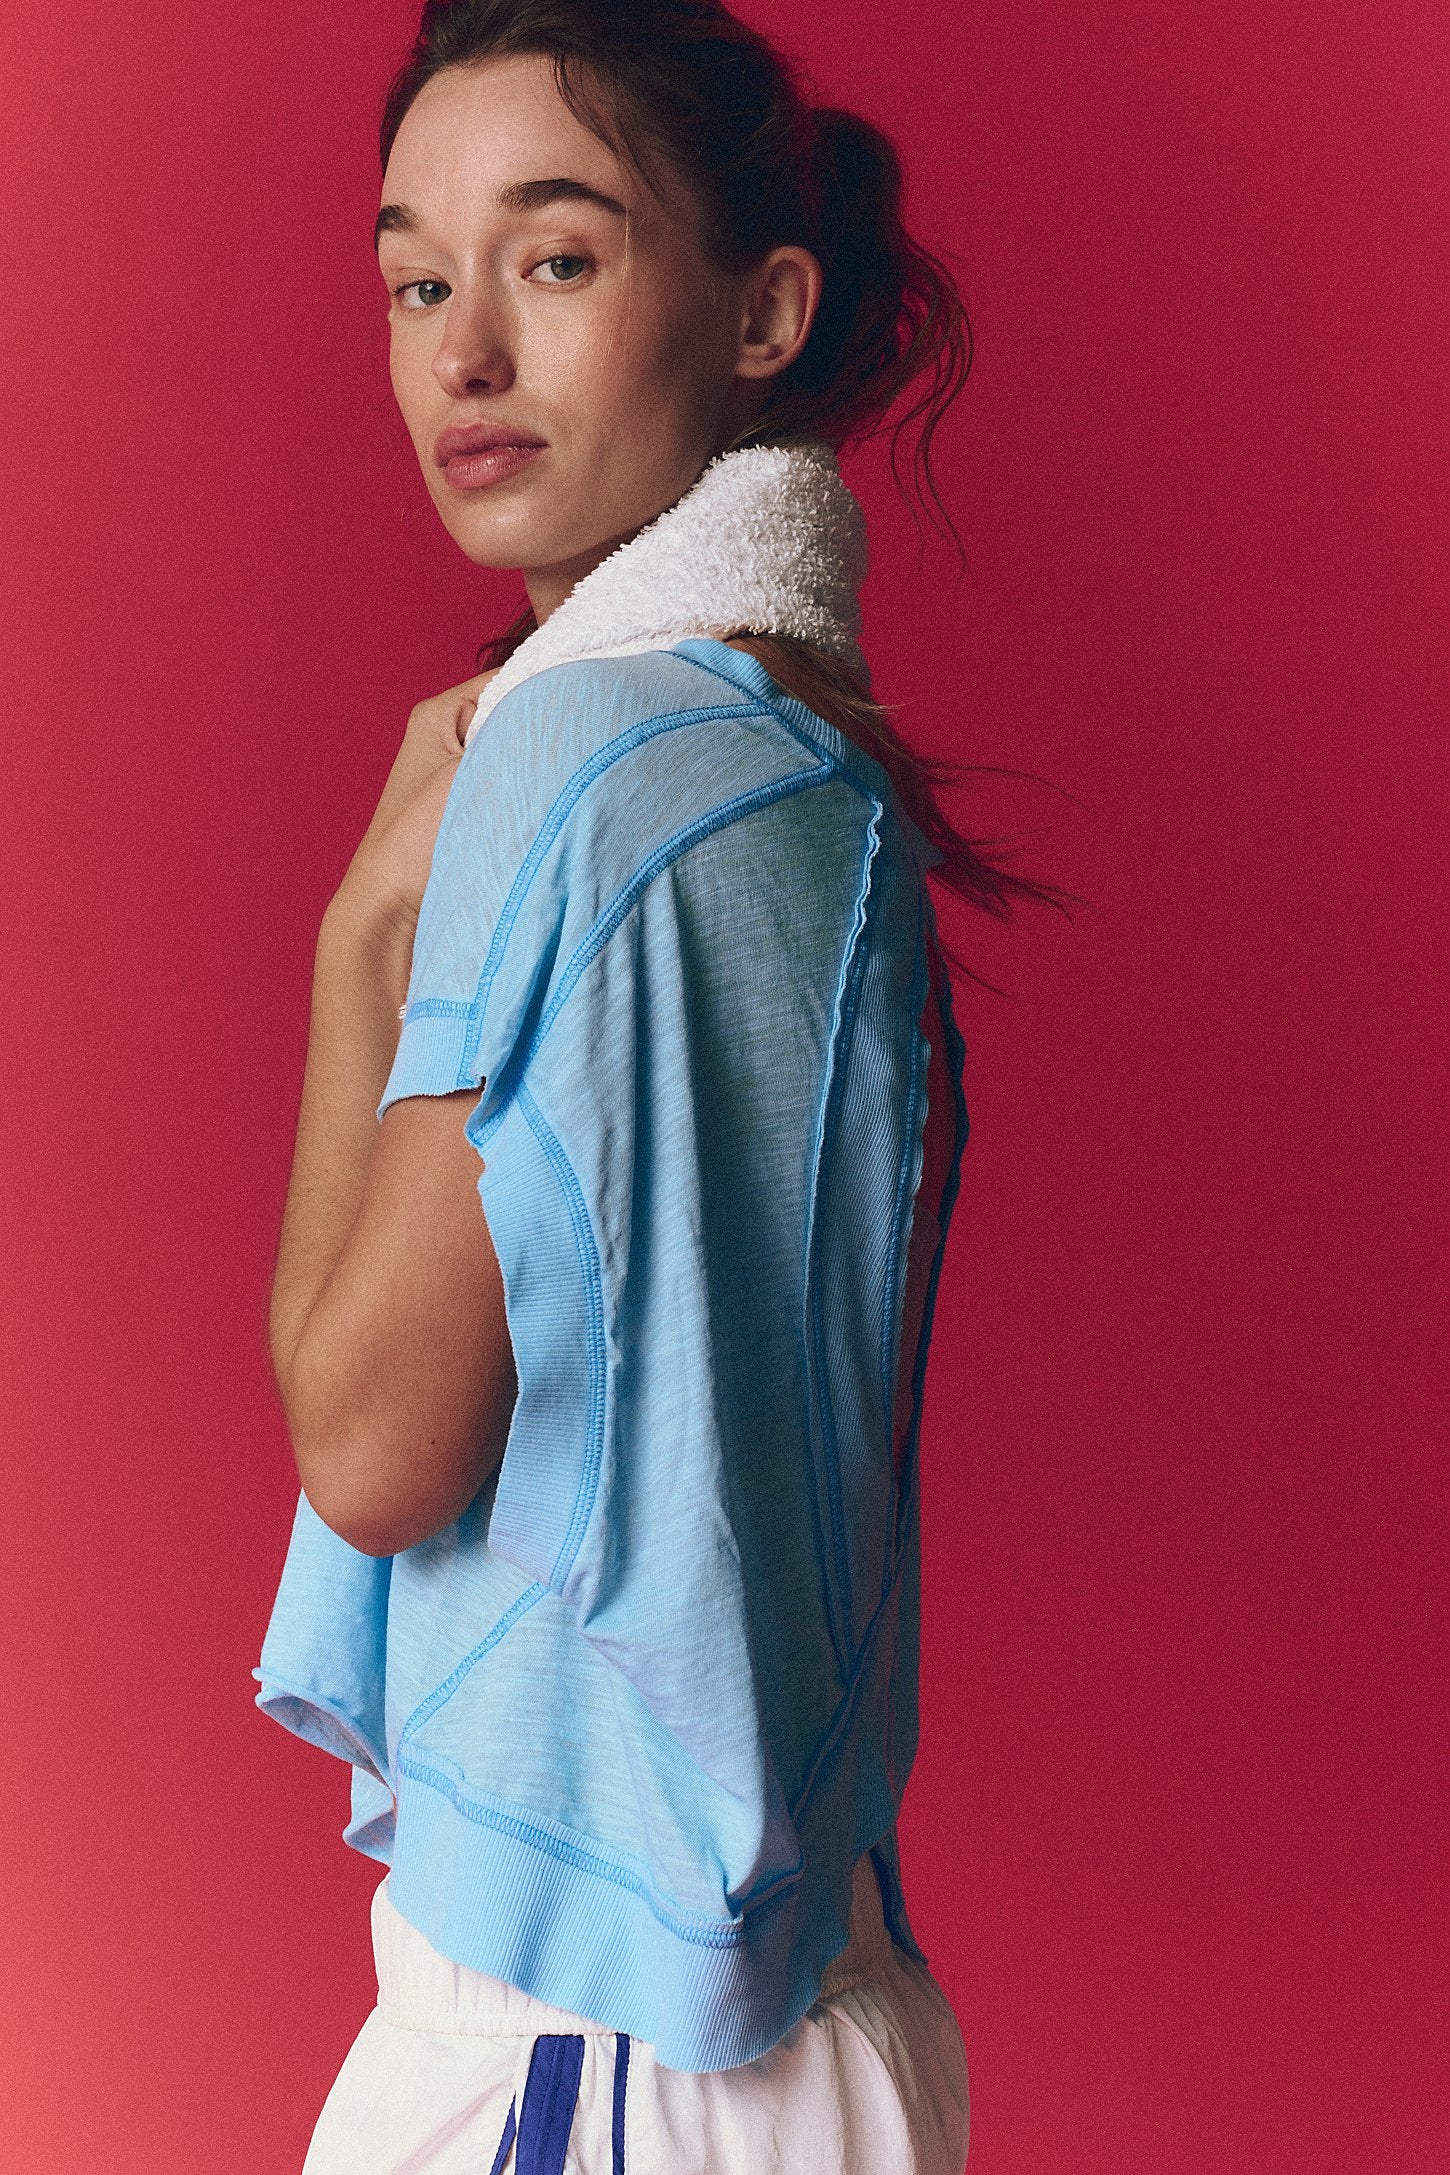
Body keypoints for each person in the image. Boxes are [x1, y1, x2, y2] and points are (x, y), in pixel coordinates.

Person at [254, 3, 1066, 2168]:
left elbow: (367, 1443)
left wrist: (360, 939)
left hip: (601, 2046)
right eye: (415, 279)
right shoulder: (798, 758)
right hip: (806, 1999)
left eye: (557, 256)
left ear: (760, 312)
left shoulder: (590, 758)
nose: (463, 351)